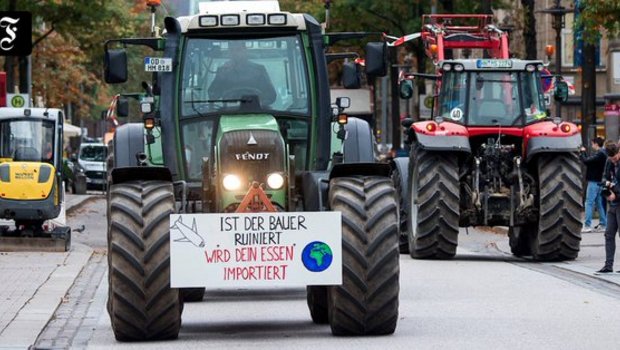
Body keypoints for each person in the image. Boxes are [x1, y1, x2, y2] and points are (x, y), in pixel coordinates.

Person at [208, 41, 277, 106]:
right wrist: (221, 77)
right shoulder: (222, 71)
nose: (235, 53)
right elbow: (212, 95)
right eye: (232, 50)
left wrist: (260, 102)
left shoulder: (258, 70)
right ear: (229, 52)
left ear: (245, 51)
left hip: (256, 112)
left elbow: (271, 96)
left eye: (238, 50)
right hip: (228, 112)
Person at [597, 141, 620, 273]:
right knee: (609, 234)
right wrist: (607, 190)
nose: (614, 160)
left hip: (618, 200)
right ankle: (608, 265)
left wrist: (615, 192)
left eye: (615, 157)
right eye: (611, 158)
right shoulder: (609, 161)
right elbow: (604, 178)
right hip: (612, 203)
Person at [580, 137, 607, 232]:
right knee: (599, 203)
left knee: (589, 203)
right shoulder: (603, 153)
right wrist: (585, 154)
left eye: (592, 144)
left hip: (594, 182)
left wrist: (582, 152)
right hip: (599, 182)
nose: (592, 146)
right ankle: (603, 224)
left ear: (596, 144)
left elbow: (586, 161)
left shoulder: (600, 154)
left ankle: (587, 225)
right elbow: (590, 161)